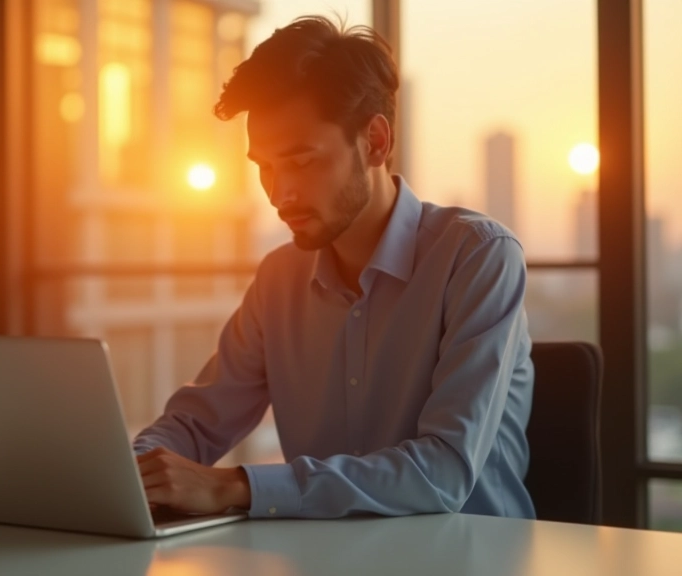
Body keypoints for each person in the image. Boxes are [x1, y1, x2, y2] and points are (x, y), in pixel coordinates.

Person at [132, 16, 535, 520]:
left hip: (465, 557)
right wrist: (129, 470)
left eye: (301, 163)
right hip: (322, 559)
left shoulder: (477, 258)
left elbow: (444, 472)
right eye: (265, 167)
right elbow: (198, 423)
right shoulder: (278, 279)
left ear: (376, 142)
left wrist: (233, 486)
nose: (279, 194)